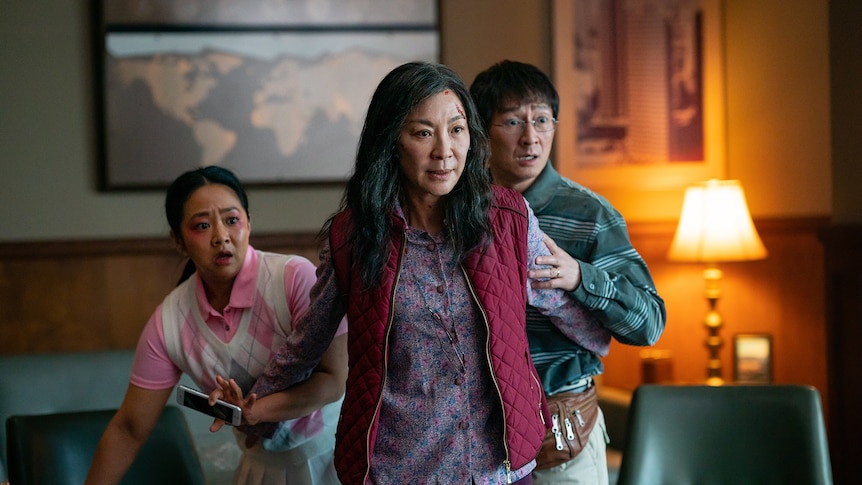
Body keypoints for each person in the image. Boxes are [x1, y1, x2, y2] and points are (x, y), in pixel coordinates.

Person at [212, 61, 606, 485]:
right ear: (391, 142)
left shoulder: (509, 218)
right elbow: (307, 341)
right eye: (423, 133)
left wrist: (606, 331)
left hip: (499, 469)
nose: (444, 151)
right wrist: (252, 405)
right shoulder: (354, 237)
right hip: (398, 468)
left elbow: (557, 302)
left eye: (456, 130)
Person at [85, 166, 348, 485]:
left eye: (232, 220)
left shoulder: (293, 278)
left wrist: (258, 411)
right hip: (260, 468)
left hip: (337, 459)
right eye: (202, 225)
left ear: (249, 224)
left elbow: (335, 380)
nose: (221, 236)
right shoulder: (170, 320)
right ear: (178, 241)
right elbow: (128, 428)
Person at [471, 60, 667, 484]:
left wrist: (579, 276)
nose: (531, 137)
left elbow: (649, 324)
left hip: (561, 434)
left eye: (542, 120)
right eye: (512, 121)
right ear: (482, 131)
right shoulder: (461, 211)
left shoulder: (590, 214)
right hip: (478, 435)